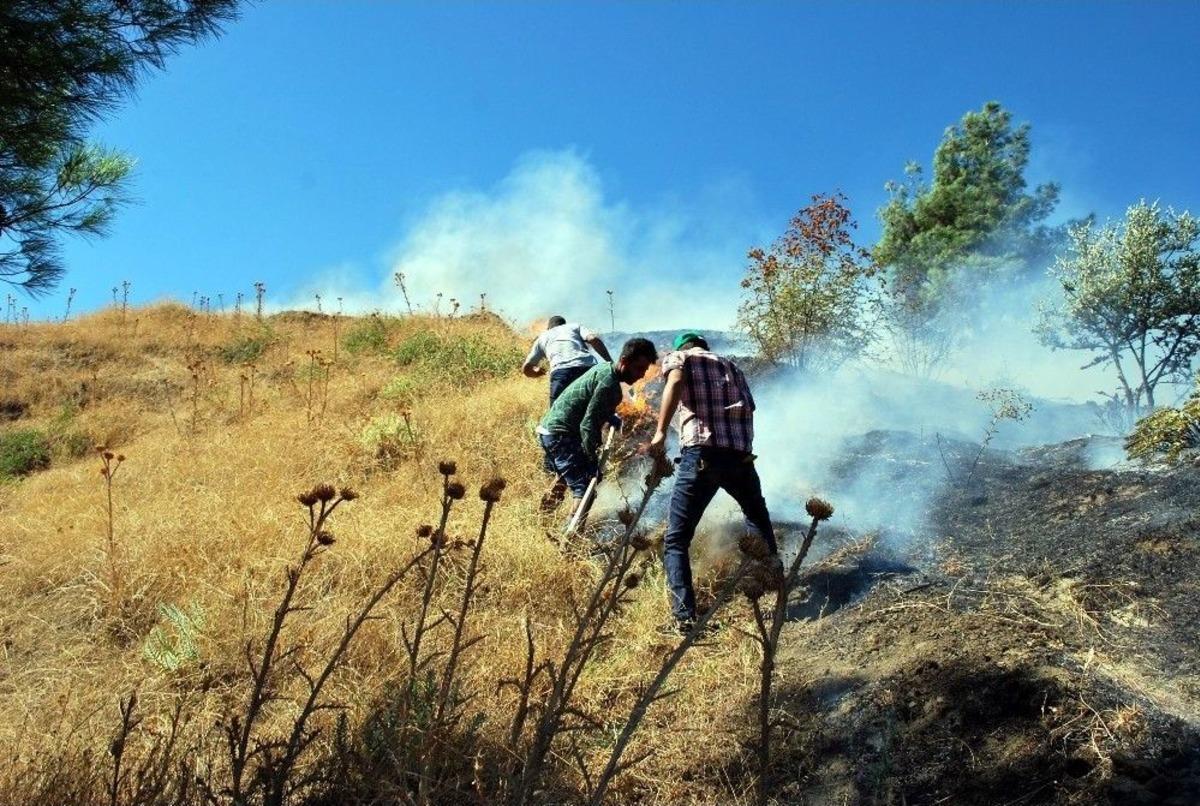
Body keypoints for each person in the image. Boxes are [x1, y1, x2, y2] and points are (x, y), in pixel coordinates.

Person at [650, 331, 780, 633]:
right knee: (756, 517)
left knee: (676, 540)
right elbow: (750, 407)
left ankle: (684, 619)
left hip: (702, 454)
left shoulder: (680, 357)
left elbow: (676, 381)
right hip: (739, 456)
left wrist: (659, 433)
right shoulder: (731, 365)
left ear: (683, 348)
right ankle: (773, 583)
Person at [539, 337, 658, 522]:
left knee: (565, 476)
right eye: (639, 368)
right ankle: (570, 538)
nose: (642, 375)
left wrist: (611, 417)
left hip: (551, 430)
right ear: (624, 361)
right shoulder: (609, 385)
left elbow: (591, 404)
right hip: (561, 435)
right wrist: (592, 459)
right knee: (585, 487)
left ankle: (542, 519)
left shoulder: (604, 369)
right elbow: (588, 425)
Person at [522, 316, 613, 403]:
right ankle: (615, 419)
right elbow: (593, 339)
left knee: (557, 414)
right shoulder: (574, 326)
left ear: (549, 328)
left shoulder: (542, 337)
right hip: (587, 368)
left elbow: (526, 368)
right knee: (599, 405)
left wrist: (538, 372)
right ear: (564, 324)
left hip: (561, 373)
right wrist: (610, 362)